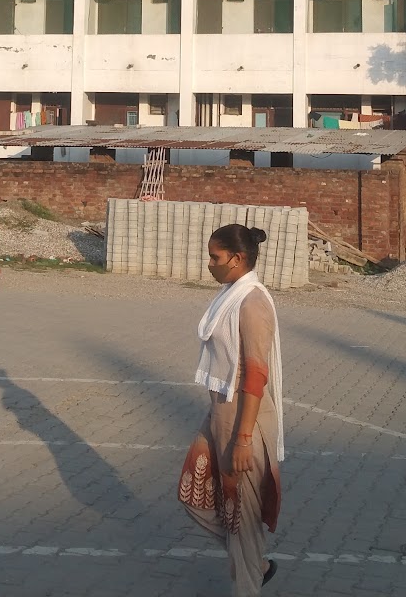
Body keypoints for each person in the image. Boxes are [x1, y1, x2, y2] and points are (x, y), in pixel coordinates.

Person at [178, 223, 284, 595]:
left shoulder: (252, 303)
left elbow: (255, 375)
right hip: (220, 412)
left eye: (215, 257)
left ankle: (250, 569)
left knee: (242, 518)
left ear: (237, 259)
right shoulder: (230, 295)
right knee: (194, 495)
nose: (210, 264)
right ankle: (255, 562)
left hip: (244, 422)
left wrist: (243, 440)